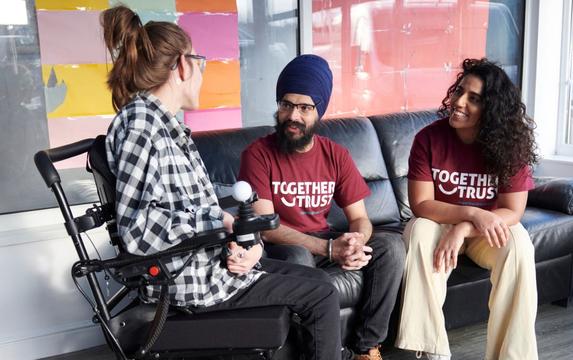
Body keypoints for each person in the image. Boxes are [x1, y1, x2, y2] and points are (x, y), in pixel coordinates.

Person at [101, 6, 341, 359]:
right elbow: (138, 229)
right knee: (322, 295)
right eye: (199, 62)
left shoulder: (165, 128)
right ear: (182, 65)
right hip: (189, 281)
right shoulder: (142, 127)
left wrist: (246, 243)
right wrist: (222, 222)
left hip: (207, 264)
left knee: (320, 281)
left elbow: (194, 209)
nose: (201, 73)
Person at [238, 54, 405, 360]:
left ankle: (366, 347)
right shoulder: (257, 155)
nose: (294, 116)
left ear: (319, 112)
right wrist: (327, 249)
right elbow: (266, 226)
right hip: (285, 250)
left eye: (305, 107)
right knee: (300, 256)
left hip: (326, 243)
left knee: (391, 247)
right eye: (286, 104)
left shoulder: (335, 154)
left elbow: (360, 219)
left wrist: (356, 242)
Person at [395, 58, 539, 360]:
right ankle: (430, 350)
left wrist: (465, 228)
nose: (458, 102)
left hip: (480, 231)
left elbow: (513, 211)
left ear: (493, 109)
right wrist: (470, 213)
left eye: (473, 99)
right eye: (459, 91)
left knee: (519, 242)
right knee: (419, 230)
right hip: (439, 223)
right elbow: (421, 204)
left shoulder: (511, 145)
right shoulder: (429, 138)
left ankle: (512, 355)